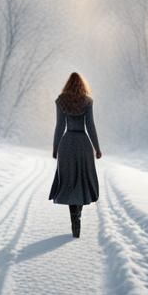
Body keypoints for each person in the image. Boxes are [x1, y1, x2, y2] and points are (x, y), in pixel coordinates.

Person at [48, 71, 102, 238]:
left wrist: (56, 148)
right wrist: (97, 148)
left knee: (70, 182)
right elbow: (90, 126)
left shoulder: (61, 101)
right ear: (82, 85)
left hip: (67, 145)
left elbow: (59, 126)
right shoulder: (87, 101)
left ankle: (74, 218)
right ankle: (78, 214)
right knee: (82, 181)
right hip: (83, 145)